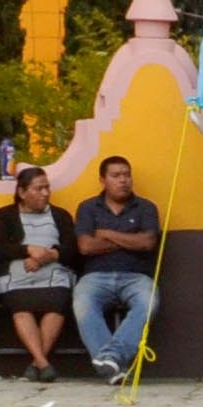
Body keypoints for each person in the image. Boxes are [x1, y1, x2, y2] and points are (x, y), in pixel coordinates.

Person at [71, 154, 161, 380]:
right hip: (96, 276)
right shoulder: (88, 208)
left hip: (135, 276)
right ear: (102, 180)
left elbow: (147, 243)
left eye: (127, 175)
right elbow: (85, 247)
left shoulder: (146, 208)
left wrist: (107, 234)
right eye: (116, 175)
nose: (124, 180)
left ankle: (110, 356)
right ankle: (112, 365)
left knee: (148, 301)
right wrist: (130, 240)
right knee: (82, 302)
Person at [0, 164, 79, 379]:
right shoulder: (4, 216)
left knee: (58, 303)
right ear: (22, 192)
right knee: (21, 307)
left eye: (47, 188)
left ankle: (38, 363)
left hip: (53, 273)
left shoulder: (60, 215)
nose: (45, 193)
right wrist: (28, 250)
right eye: (38, 188)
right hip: (17, 274)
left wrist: (49, 256)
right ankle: (43, 363)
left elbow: (73, 249)